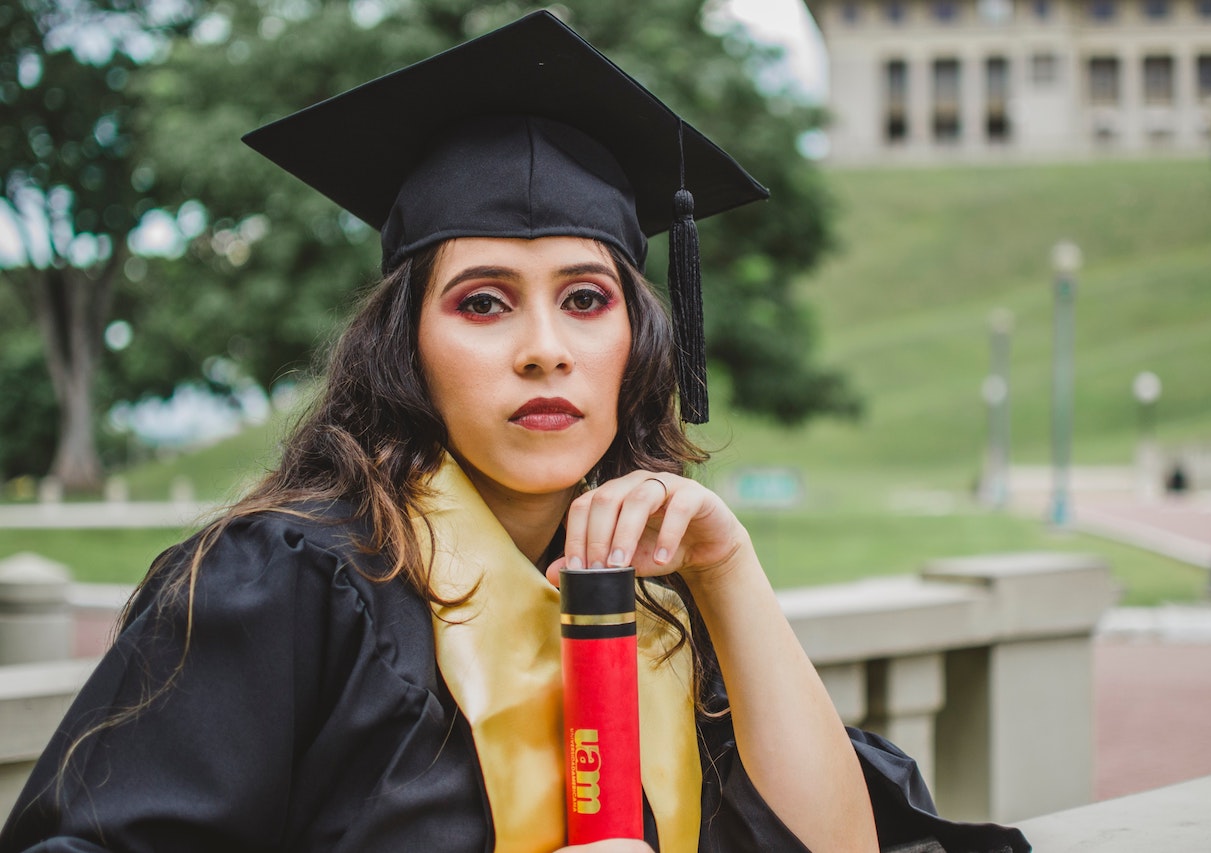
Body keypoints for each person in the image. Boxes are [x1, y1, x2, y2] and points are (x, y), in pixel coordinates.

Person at [1, 12, 1028, 853]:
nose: (544, 349)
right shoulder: (288, 584)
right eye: (484, 304)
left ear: (638, 336)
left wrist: (728, 569)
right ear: (406, 343)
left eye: (585, 299)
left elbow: (838, 846)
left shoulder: (665, 594)